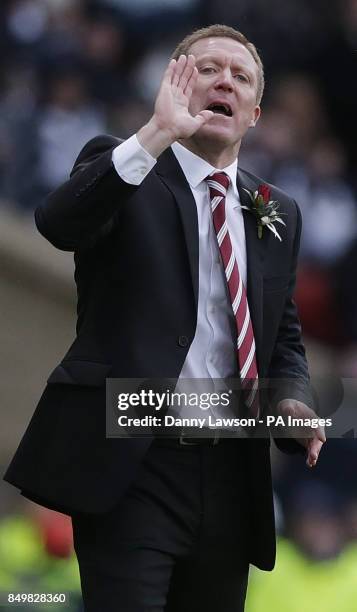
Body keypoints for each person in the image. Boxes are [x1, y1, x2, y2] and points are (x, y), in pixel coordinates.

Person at [4, 24, 326, 612]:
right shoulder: (122, 163)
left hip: (232, 466)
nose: (224, 80)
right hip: (134, 456)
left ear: (255, 112)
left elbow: (283, 339)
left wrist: (293, 399)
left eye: (241, 76)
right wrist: (156, 133)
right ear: (174, 86)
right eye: (206, 69)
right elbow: (58, 224)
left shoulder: (278, 209)